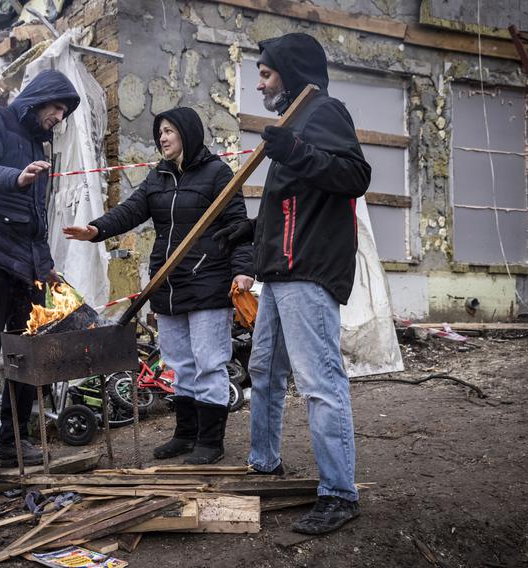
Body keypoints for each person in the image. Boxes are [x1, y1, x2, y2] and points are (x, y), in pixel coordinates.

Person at [215, 33, 371, 535]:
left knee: (320, 381)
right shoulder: (291, 123)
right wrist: (249, 233)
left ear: (291, 72)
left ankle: (339, 493)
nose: (259, 83)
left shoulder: (323, 112)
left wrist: (297, 149)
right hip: (281, 271)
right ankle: (264, 464)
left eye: (265, 72)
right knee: (263, 370)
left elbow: (353, 176)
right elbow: (290, 208)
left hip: (310, 271)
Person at [64, 107, 254, 465]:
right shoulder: (159, 176)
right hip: (167, 284)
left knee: (208, 364)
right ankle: (185, 434)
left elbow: (238, 226)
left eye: (169, 131)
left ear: (187, 132)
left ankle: (211, 442)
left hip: (208, 281)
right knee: (179, 364)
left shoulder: (217, 173)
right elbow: (131, 211)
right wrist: (96, 230)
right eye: (160, 132)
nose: (162, 137)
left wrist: (243, 271)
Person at [0, 69, 81, 479]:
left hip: (26, 266)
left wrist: (44, 266)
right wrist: (16, 176)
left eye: (64, 113)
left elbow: (36, 217)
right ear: (40, 98)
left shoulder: (37, 141)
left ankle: (15, 442)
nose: (59, 118)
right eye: (57, 108)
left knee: (26, 356)